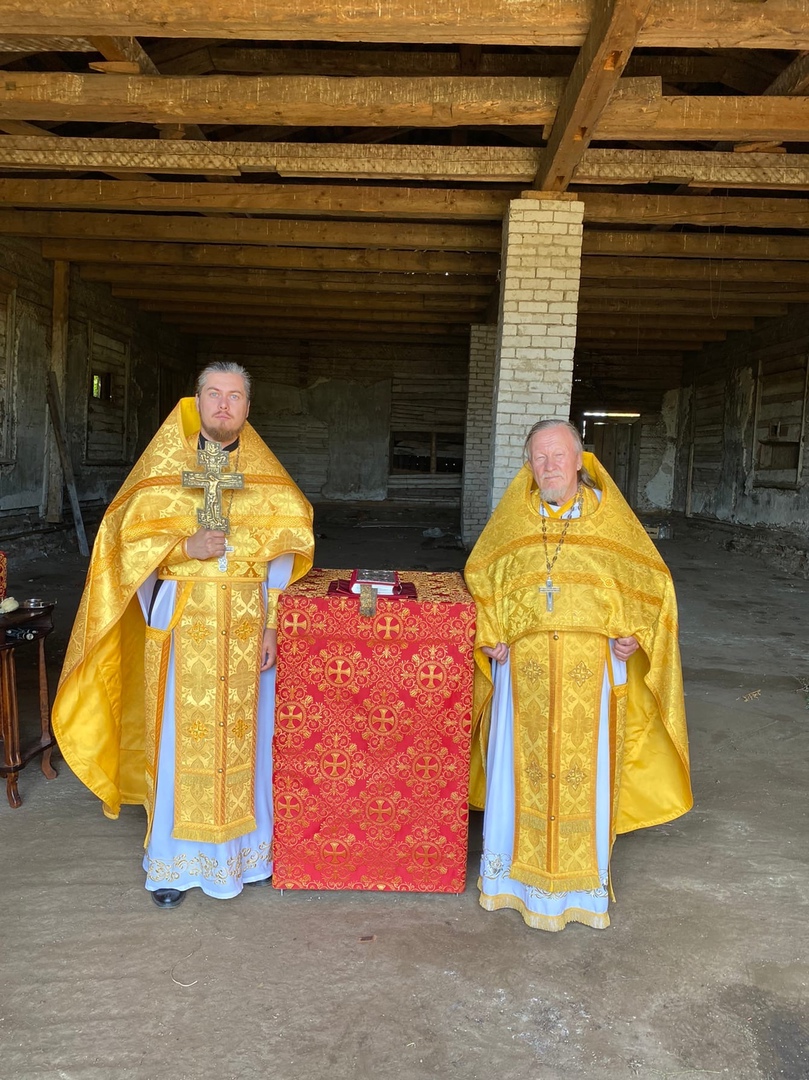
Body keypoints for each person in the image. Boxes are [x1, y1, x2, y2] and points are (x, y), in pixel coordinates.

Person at [53, 362, 314, 908]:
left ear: (248, 407)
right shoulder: (164, 469)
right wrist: (181, 548)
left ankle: (247, 855)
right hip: (183, 621)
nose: (224, 405)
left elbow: (284, 552)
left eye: (235, 396)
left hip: (246, 624)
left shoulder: (266, 477)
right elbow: (123, 542)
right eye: (214, 395)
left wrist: (271, 626)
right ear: (197, 401)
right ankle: (173, 865)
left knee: (246, 736)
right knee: (179, 738)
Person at [464, 419, 692, 931]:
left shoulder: (610, 520)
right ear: (528, 464)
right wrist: (490, 630)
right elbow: (479, 581)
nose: (549, 465)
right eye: (539, 457)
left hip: (590, 674)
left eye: (558, 456)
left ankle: (581, 890)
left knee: (581, 776)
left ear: (579, 459)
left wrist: (633, 633)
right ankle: (507, 883)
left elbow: (651, 586)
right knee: (516, 771)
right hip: (520, 677)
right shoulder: (510, 522)